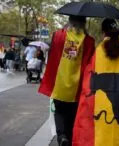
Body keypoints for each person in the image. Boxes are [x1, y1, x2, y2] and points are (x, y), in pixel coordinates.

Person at [38, 15, 95, 146]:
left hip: (60, 83)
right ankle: (69, 138)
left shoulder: (58, 36)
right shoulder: (89, 41)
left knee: (59, 112)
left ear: (69, 21)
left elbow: (51, 54)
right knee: (73, 115)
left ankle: (62, 136)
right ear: (84, 23)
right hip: (78, 87)